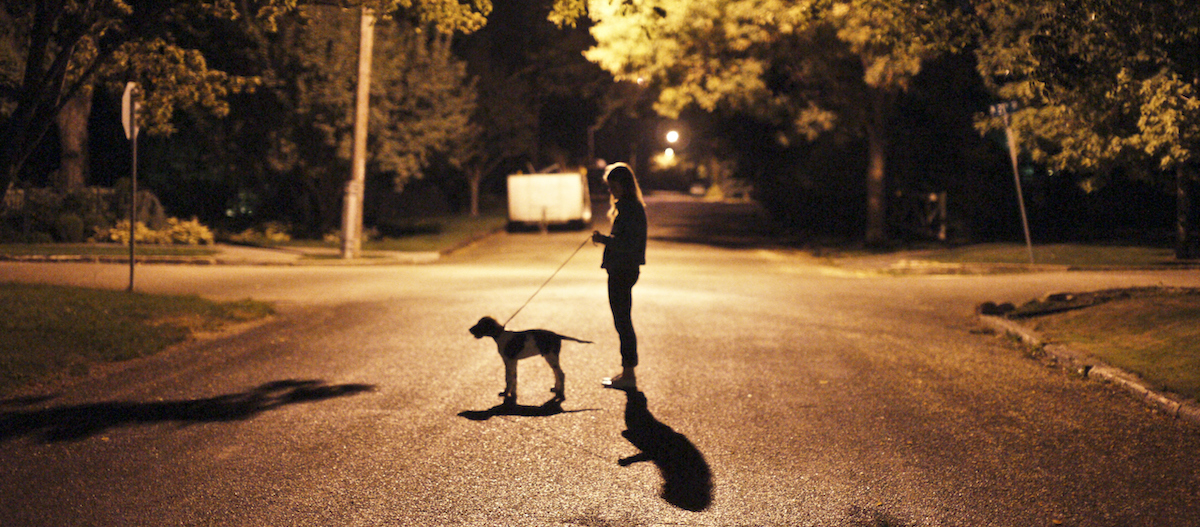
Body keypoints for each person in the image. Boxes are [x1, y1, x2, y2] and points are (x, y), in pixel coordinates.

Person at [591, 162, 647, 389]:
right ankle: (627, 371)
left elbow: (626, 243)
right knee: (622, 321)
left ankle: (629, 374)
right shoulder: (629, 206)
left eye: (612, 186)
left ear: (623, 184)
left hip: (623, 268)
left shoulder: (630, 208)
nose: (610, 191)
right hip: (623, 268)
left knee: (623, 321)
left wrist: (603, 239)